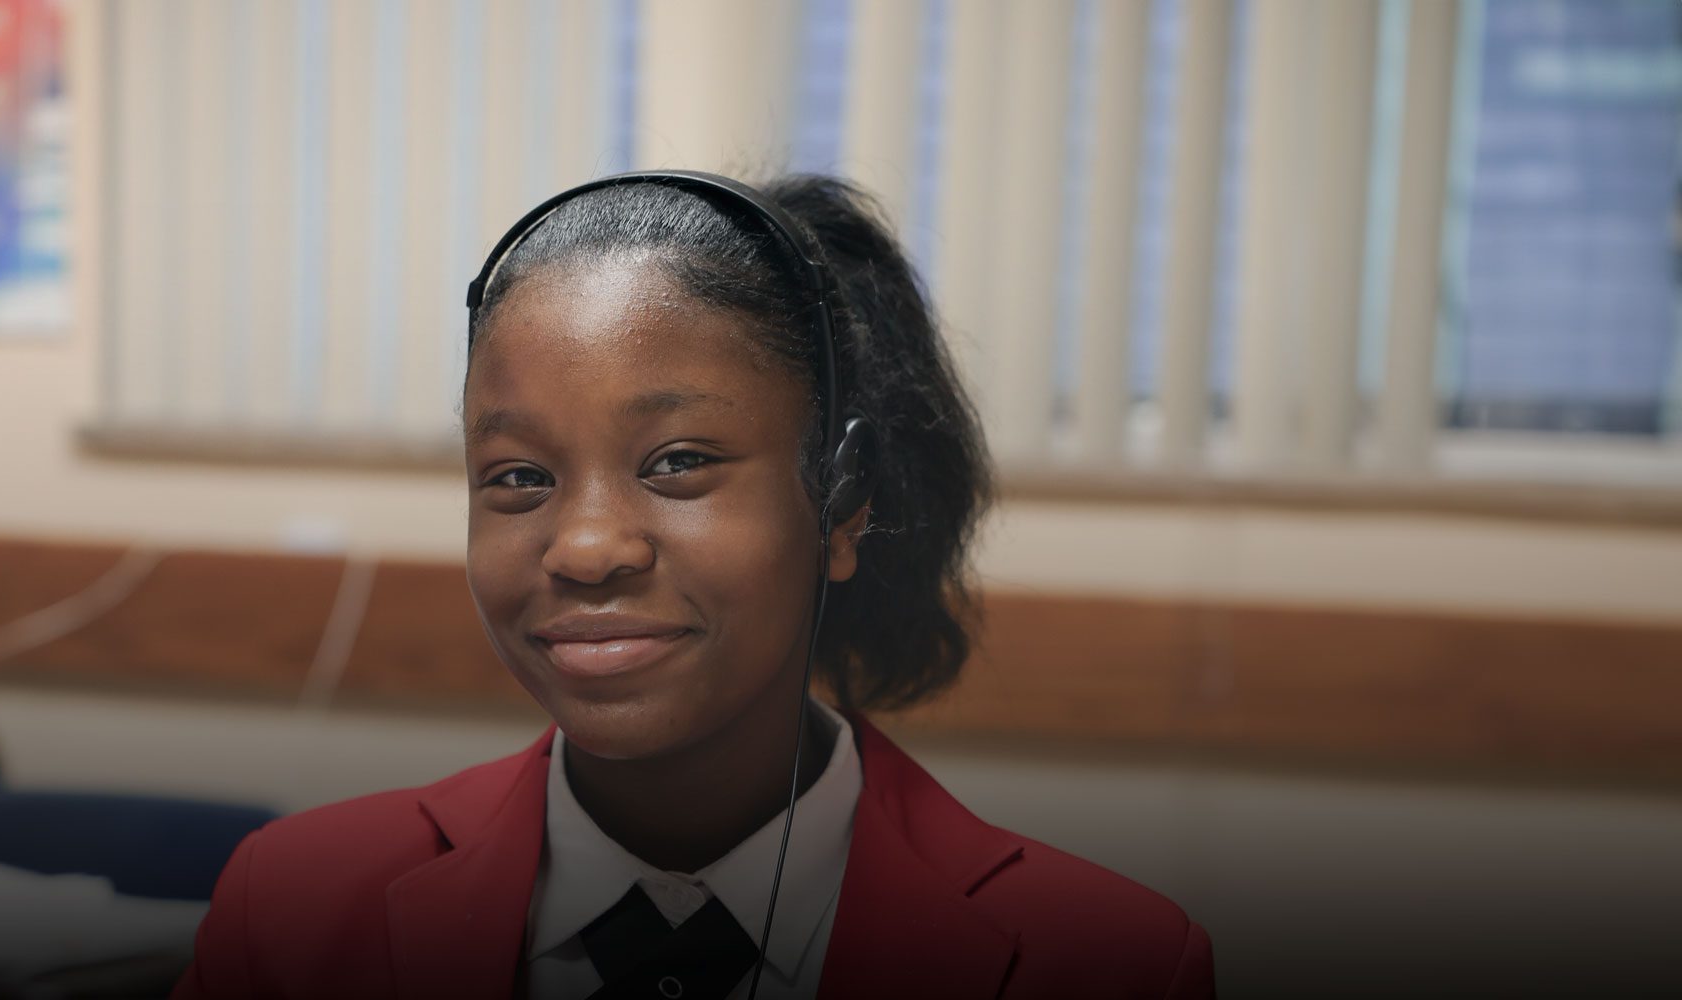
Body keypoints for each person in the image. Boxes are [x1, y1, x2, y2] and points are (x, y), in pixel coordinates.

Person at [172, 172, 1214, 999]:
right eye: (518, 477)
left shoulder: (1107, 962)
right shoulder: (293, 912)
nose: (584, 547)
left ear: (842, 505)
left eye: (677, 462)